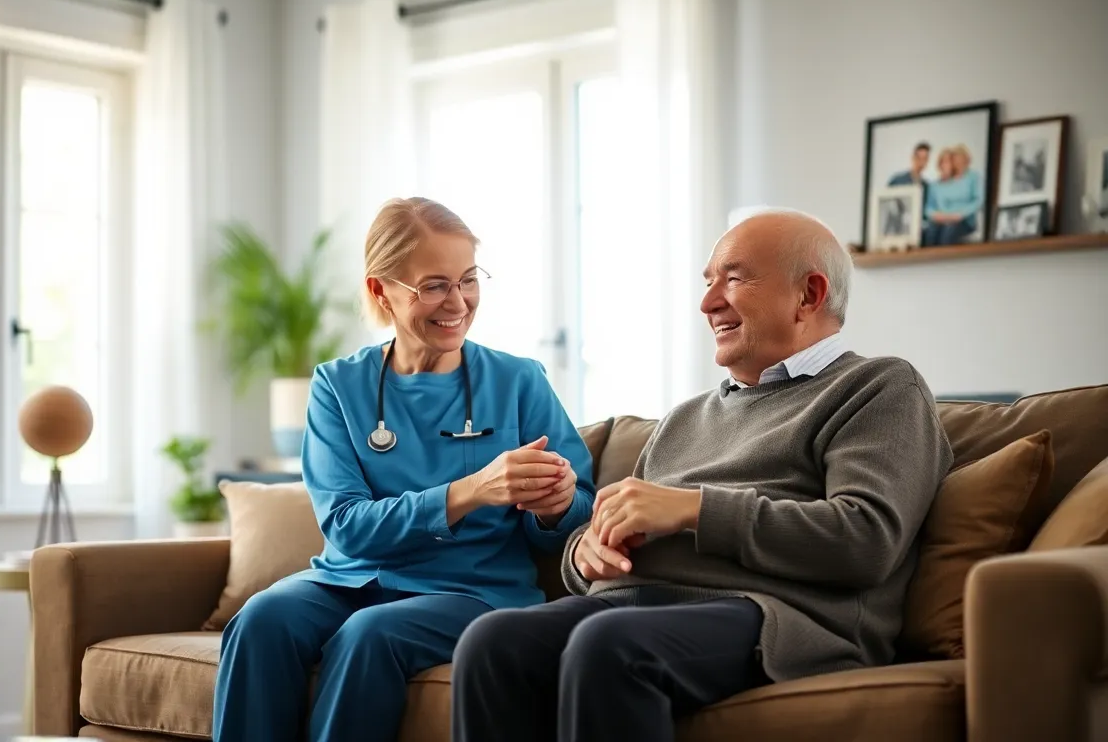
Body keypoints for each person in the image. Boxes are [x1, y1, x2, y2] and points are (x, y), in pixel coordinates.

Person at [451, 209, 953, 742]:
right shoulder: (686, 417)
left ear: (808, 294)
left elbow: (865, 539)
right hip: (629, 606)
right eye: (708, 281)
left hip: (775, 618)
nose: (708, 301)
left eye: (733, 278)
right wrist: (584, 553)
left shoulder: (878, 388)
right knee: (491, 641)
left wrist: (694, 508)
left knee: (611, 645)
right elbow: (605, 538)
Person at [212, 197, 597, 742]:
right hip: (351, 578)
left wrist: (555, 504)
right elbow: (345, 525)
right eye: (434, 286)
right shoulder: (337, 386)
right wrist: (469, 491)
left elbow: (579, 506)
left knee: (370, 635)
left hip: (472, 591)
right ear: (380, 290)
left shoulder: (518, 381)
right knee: (261, 620)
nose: (458, 302)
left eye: (468, 280)